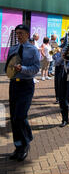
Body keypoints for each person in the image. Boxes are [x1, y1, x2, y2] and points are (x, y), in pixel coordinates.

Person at [6, 24, 40, 161]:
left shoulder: (33, 50)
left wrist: (23, 68)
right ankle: (18, 146)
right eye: (17, 33)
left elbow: (36, 68)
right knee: (14, 117)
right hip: (13, 84)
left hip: (26, 85)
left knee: (20, 116)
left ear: (27, 34)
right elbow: (9, 66)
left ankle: (26, 143)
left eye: (21, 33)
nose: (18, 35)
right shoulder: (13, 48)